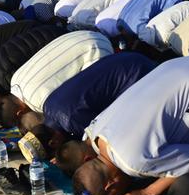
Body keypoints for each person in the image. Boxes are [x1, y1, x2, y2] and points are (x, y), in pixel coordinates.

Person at [73, 55, 189, 195]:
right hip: (182, 64)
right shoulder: (96, 132)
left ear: (110, 186)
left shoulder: (132, 163)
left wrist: (147, 192)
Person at [22, 52, 155, 151]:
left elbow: (102, 139)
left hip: (136, 73)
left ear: (53, 143)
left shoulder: (71, 120)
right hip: (125, 58)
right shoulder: (47, 105)